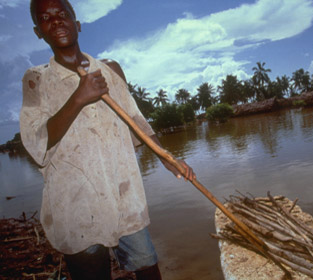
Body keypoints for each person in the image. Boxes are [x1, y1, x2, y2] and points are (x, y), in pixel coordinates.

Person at [20, 0, 195, 279]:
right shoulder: (36, 79)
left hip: (124, 193)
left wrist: (166, 158)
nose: (56, 21)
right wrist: (79, 97)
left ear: (77, 24)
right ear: (38, 32)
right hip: (76, 204)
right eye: (46, 18)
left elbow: (137, 122)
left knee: (148, 268)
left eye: (63, 14)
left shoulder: (111, 69)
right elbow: (36, 143)